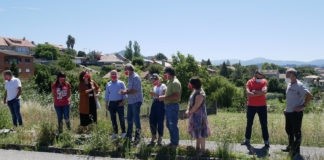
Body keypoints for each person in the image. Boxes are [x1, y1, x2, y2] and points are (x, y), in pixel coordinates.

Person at [282, 68, 312, 157]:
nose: (286, 75)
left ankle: (296, 151)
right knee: (288, 130)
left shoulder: (299, 85)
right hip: (288, 112)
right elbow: (290, 99)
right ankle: (290, 147)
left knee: (296, 133)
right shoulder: (289, 84)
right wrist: (286, 108)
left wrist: (302, 106)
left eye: (287, 74)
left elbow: (309, 95)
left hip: (296, 113)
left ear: (292, 74)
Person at [241, 71, 270, 148]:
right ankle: (247, 140)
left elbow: (264, 91)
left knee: (264, 124)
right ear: (255, 75)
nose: (259, 78)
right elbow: (248, 93)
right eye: (258, 76)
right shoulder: (249, 82)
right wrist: (259, 93)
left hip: (262, 106)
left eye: (261, 76)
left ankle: (266, 142)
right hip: (251, 106)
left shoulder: (264, 81)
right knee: (249, 124)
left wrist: (254, 91)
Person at [185, 77, 211, 153]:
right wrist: (187, 109)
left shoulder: (200, 93)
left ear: (194, 84)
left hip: (200, 116)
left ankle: (202, 150)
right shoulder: (194, 91)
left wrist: (189, 112)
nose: (189, 84)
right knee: (197, 132)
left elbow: (196, 106)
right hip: (194, 115)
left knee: (201, 133)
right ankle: (197, 148)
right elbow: (190, 102)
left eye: (190, 83)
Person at [120, 64, 143, 144]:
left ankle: (138, 137)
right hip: (131, 101)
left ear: (130, 70)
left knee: (136, 120)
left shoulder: (135, 77)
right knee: (129, 119)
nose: (125, 71)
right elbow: (130, 89)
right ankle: (129, 136)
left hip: (136, 101)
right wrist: (125, 90)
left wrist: (125, 92)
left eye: (125, 69)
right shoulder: (130, 77)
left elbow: (135, 90)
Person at [158, 67, 181, 147]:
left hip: (172, 106)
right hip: (169, 106)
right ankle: (173, 142)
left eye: (165, 73)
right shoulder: (170, 81)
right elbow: (170, 95)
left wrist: (164, 98)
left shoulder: (175, 82)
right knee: (169, 125)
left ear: (169, 73)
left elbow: (176, 96)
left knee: (172, 125)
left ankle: (175, 144)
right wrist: (164, 96)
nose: (165, 75)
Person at [104, 70, 127, 139]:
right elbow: (106, 95)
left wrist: (122, 102)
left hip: (119, 103)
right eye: (112, 74)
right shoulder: (108, 84)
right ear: (110, 76)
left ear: (117, 75)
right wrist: (106, 104)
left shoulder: (121, 83)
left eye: (115, 74)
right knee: (113, 119)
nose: (113, 75)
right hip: (111, 104)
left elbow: (124, 94)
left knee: (121, 118)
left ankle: (123, 132)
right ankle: (115, 133)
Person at [148, 74, 167, 145]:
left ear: (157, 80)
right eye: (152, 80)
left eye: (154, 80)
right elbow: (155, 96)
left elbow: (165, 96)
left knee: (160, 121)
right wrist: (152, 94)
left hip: (161, 103)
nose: (153, 82)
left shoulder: (163, 86)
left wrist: (155, 94)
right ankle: (153, 135)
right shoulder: (154, 87)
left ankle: (160, 137)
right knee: (152, 119)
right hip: (155, 103)